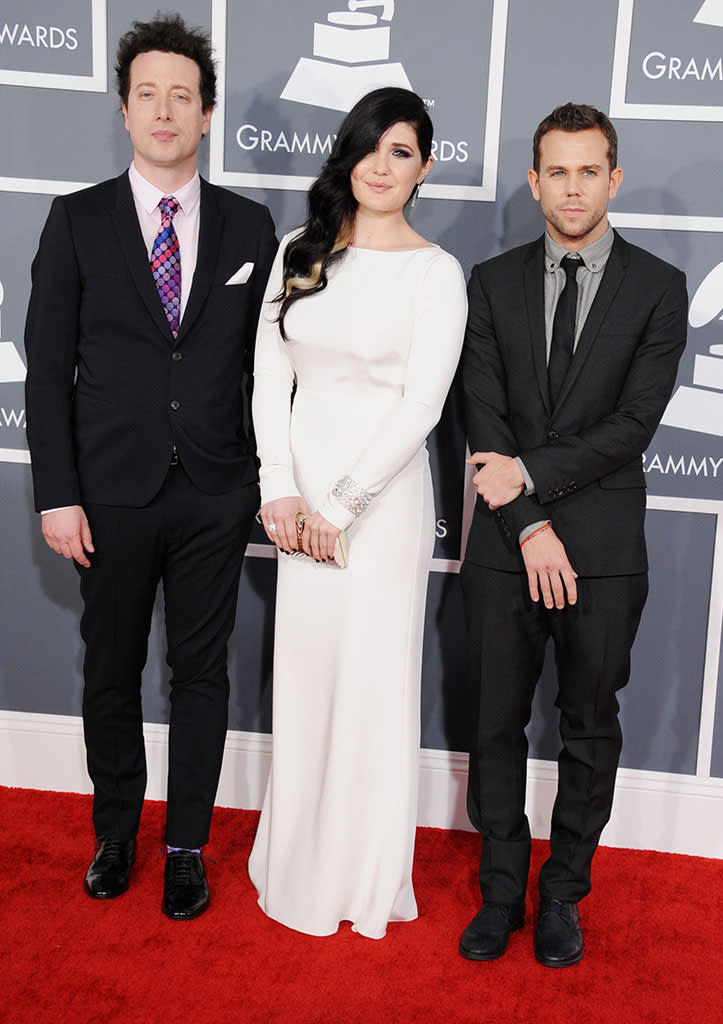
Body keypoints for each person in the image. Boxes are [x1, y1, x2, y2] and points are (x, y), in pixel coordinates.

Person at [24, 14, 277, 920]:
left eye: (182, 96)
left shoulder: (253, 226)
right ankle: (117, 833)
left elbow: (270, 364)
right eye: (147, 95)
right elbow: (46, 368)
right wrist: (57, 494)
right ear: (124, 111)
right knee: (111, 672)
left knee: (202, 675)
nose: (164, 111)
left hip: (214, 490)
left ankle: (186, 846)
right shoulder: (78, 219)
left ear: (205, 115)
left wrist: (259, 481)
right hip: (110, 492)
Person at [459, 103, 687, 966]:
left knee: (588, 725)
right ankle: (500, 894)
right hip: (504, 547)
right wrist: (527, 527)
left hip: (603, 550)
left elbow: (633, 424)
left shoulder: (659, 287)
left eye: (588, 170)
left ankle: (562, 897)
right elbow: (482, 422)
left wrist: (536, 488)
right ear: (533, 179)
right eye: (556, 170)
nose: (571, 187)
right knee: (493, 724)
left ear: (612, 178)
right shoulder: (489, 282)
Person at [248, 87, 467, 939]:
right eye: (371, 147)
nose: (382, 166)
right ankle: (296, 861)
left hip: (378, 507)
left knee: (371, 686)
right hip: (296, 500)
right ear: (349, 153)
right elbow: (270, 375)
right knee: (305, 683)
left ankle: (360, 878)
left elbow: (422, 405)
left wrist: (341, 505)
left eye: (402, 151)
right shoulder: (297, 251)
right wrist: (279, 488)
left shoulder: (434, 272)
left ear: (424, 167)